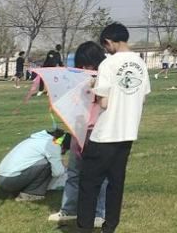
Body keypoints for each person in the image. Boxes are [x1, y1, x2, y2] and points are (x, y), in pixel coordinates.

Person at [76, 22, 151, 233]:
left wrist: (94, 89)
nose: (106, 50)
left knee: (89, 183)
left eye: (105, 46)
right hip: (128, 131)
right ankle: (110, 226)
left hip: (106, 133)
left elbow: (104, 102)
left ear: (109, 41)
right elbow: (143, 97)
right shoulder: (140, 63)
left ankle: (84, 228)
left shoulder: (108, 64)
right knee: (116, 182)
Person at [48, 41, 107, 226]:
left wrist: (96, 87)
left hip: (99, 132)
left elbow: (107, 103)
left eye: (88, 65)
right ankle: (69, 209)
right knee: (74, 172)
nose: (85, 69)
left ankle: (99, 213)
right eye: (81, 65)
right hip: (79, 129)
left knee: (99, 175)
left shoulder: (106, 78)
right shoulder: (79, 80)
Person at [0, 128, 66, 202]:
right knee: (49, 164)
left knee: (46, 163)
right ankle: (31, 194)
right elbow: (57, 172)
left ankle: (20, 190)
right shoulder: (52, 144)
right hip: (10, 181)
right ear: (62, 145)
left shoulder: (36, 139)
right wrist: (62, 166)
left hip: (1, 178)